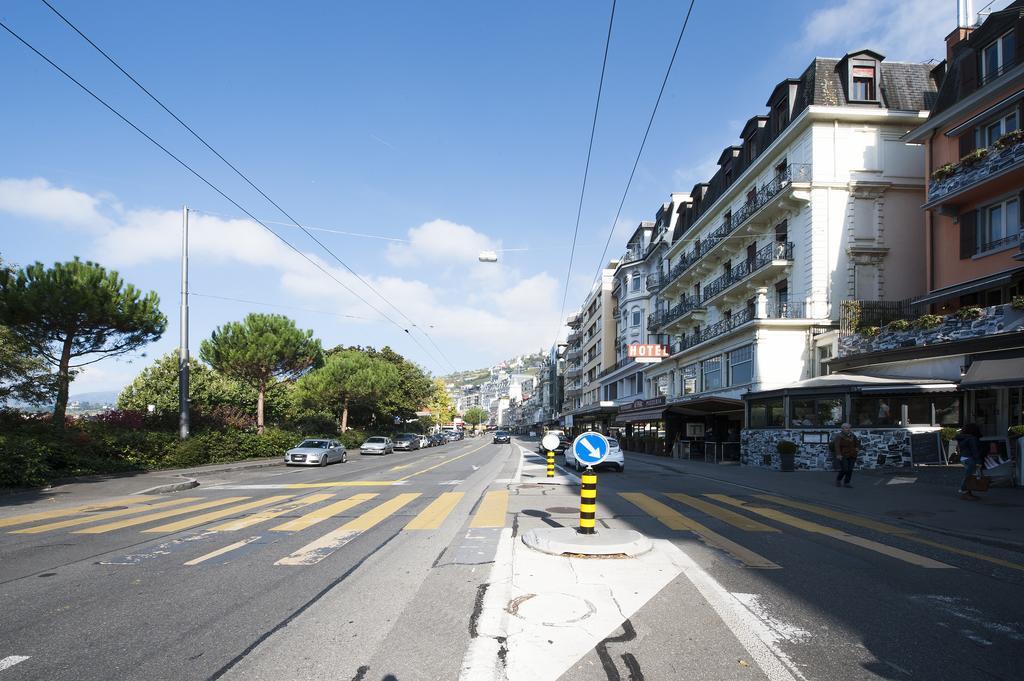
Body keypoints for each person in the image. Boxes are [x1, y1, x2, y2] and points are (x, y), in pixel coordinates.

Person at [955, 423, 983, 500]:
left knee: (969, 475)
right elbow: (975, 451)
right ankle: (964, 491)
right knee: (969, 475)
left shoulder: (962, 437)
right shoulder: (972, 439)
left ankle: (968, 492)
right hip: (970, 458)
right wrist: (978, 461)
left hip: (964, 457)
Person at [830, 423, 859, 488]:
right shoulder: (839, 436)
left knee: (850, 469)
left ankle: (847, 482)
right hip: (843, 455)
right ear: (842, 429)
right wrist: (838, 454)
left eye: (849, 428)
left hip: (852, 454)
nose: (848, 429)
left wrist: (857, 448)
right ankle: (838, 480)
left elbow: (857, 443)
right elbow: (836, 446)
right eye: (846, 428)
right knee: (845, 469)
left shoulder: (853, 435)